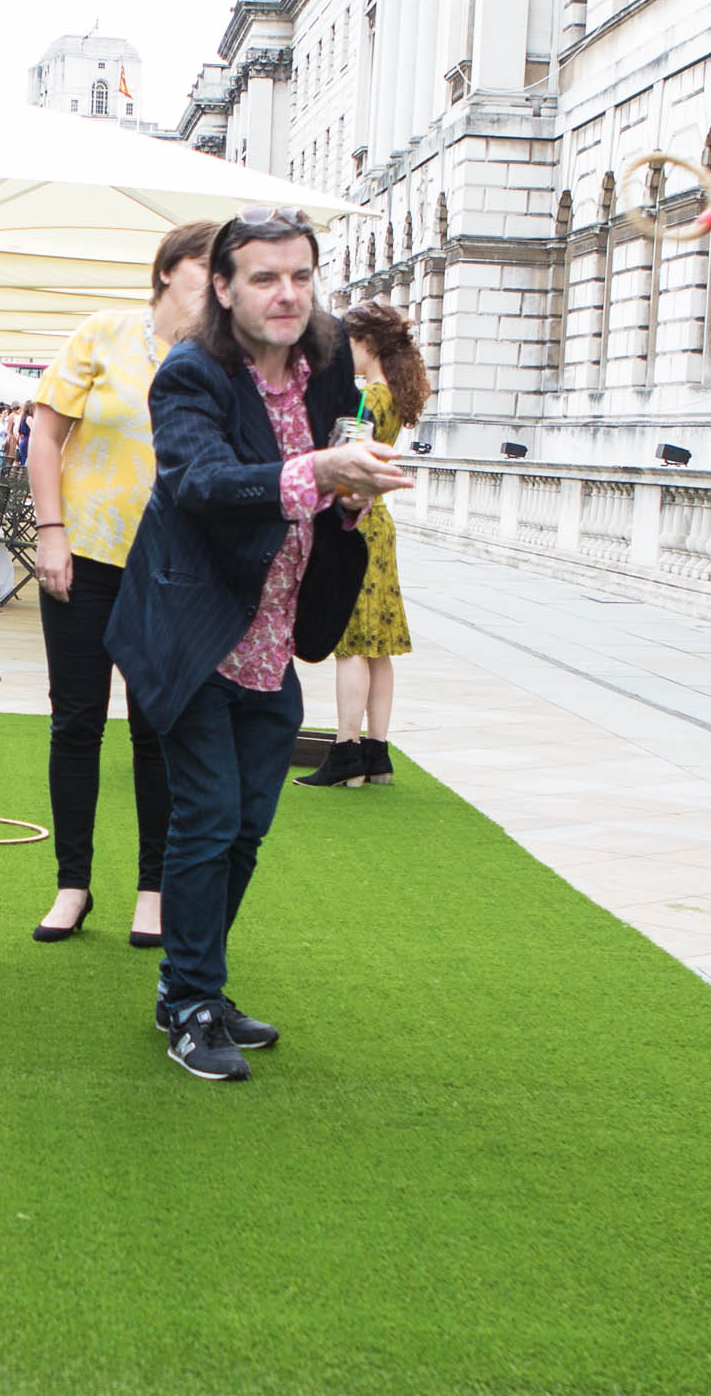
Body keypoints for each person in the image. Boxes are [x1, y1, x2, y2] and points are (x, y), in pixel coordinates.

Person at [108, 212, 409, 1080]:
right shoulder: (192, 372)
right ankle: (190, 1000)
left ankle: (191, 984)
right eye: (265, 277)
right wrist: (318, 473)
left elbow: (335, 462)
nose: (287, 294)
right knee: (206, 819)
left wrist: (350, 493)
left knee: (245, 827)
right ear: (224, 287)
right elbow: (201, 482)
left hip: (275, 633)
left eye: (301, 276)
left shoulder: (328, 359)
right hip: (195, 626)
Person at [24, 217, 216, 948]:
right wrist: (50, 531)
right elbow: (45, 436)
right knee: (76, 721)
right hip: (83, 557)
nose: (218, 283)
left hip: (173, 568)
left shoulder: (221, 358)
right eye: (206, 267)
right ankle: (72, 885)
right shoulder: (102, 333)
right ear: (167, 269)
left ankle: (154, 889)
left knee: (155, 728)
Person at [303, 302, 429, 788]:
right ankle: (377, 754)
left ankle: (346, 753)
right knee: (379, 646)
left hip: (357, 520)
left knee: (352, 643)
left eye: (349, 343)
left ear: (367, 344)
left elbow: (340, 456)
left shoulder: (367, 400)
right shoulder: (395, 394)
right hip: (381, 523)